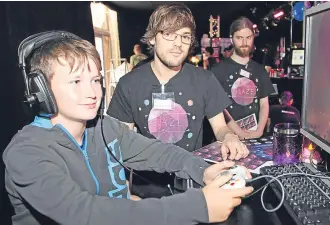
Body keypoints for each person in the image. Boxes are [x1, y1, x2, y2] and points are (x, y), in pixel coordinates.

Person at [2, 31, 254, 225]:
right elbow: (84, 214)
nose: (92, 92)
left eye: (96, 80)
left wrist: (202, 171)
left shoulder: (104, 127)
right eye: (76, 81)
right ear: (41, 92)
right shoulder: (26, 152)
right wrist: (199, 206)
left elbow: (158, 152)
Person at [108, 4, 249, 159]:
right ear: (152, 38)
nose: (178, 43)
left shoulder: (205, 80)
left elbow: (221, 127)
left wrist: (229, 137)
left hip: (194, 177)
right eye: (169, 34)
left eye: (185, 36)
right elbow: (121, 143)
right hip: (146, 179)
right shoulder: (128, 84)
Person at [212, 17, 276, 140]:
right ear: (232, 38)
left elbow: (264, 104)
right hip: (228, 137)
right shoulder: (217, 71)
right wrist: (239, 133)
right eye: (239, 38)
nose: (244, 42)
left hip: (255, 136)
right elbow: (219, 108)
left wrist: (259, 131)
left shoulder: (260, 70)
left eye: (248, 37)